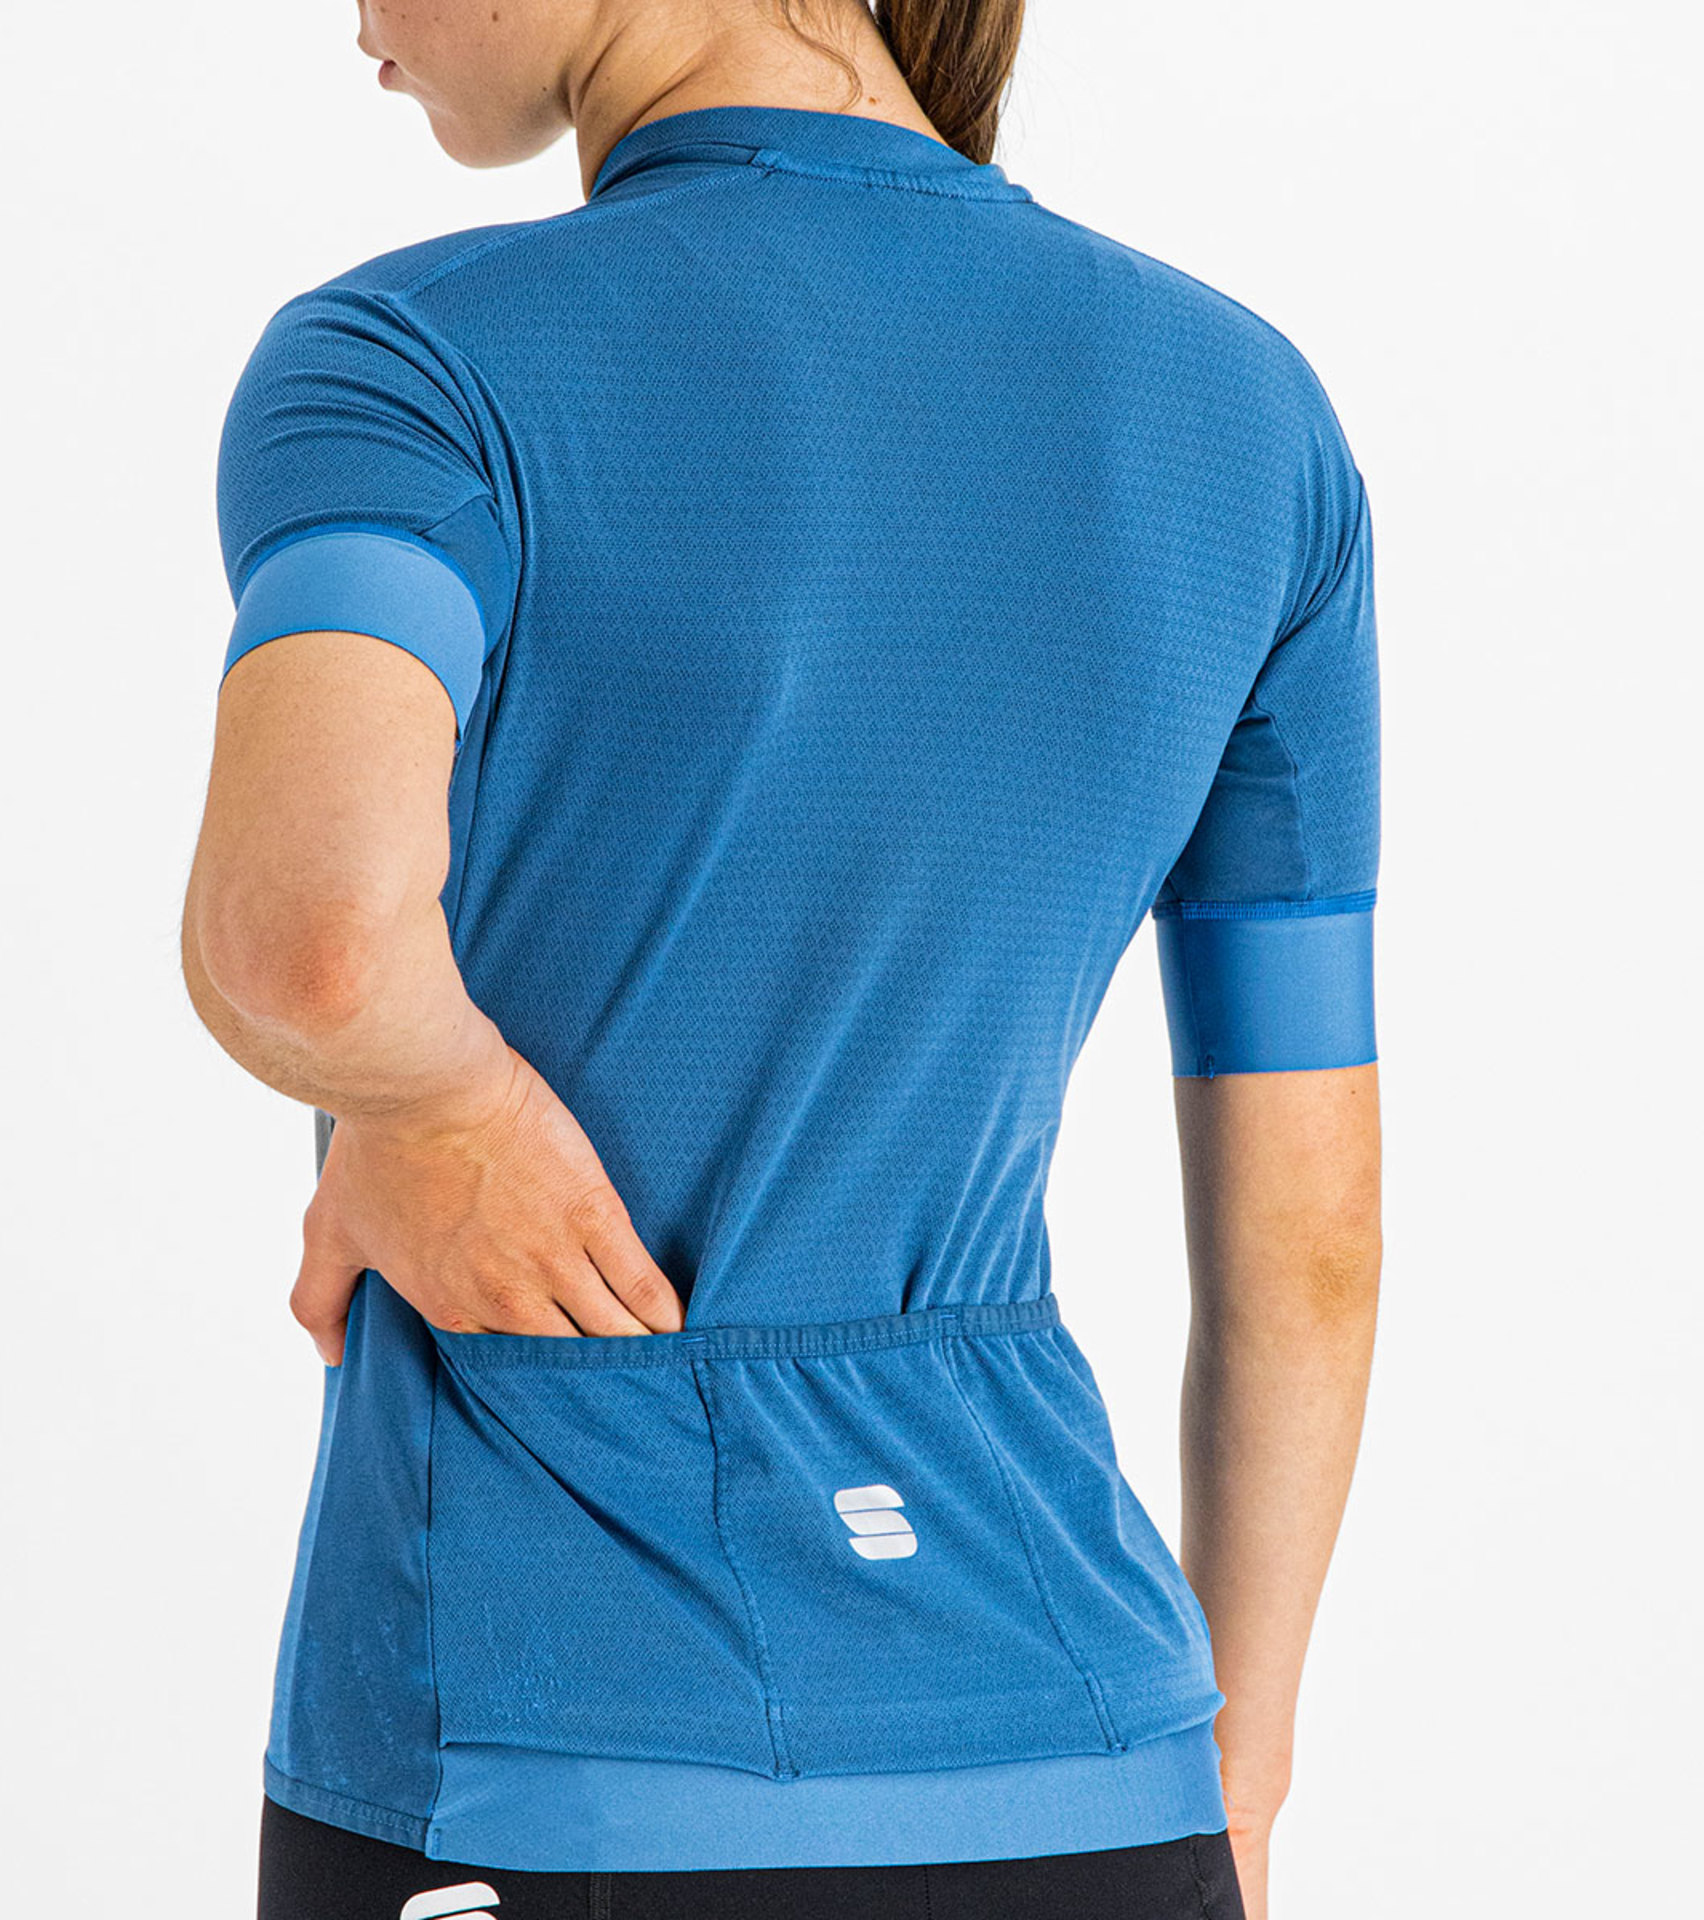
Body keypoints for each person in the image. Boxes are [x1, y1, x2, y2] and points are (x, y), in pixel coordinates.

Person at [180, 0, 1384, 1914]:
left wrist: (437, 1104)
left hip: (557, 1755)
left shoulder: (416, 364)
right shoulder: (1248, 416)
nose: (354, 12)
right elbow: (1309, 1241)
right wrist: (1240, 1770)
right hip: (1098, 1761)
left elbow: (306, 943)